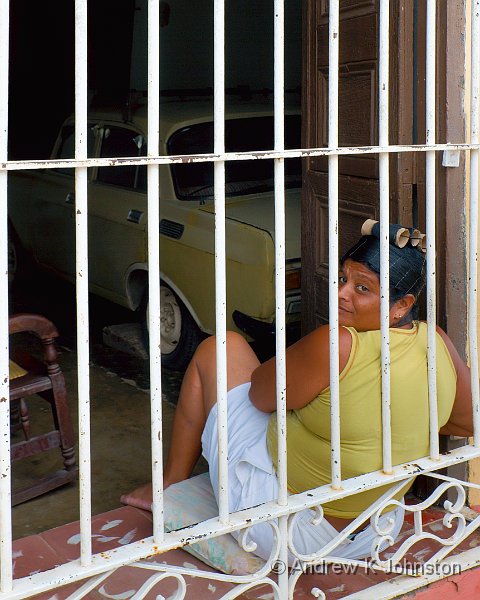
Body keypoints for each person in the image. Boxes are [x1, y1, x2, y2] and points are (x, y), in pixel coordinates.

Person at [125, 223, 472, 562]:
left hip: (290, 534)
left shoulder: (338, 344)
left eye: (362, 288)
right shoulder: (435, 340)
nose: (341, 293)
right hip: (376, 532)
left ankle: (169, 487)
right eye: (342, 279)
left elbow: (258, 397)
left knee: (220, 347)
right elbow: (466, 420)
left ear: (401, 304)